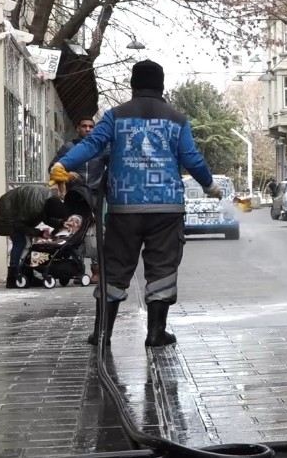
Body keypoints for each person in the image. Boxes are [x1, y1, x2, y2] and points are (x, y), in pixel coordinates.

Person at [50, 60, 221, 347]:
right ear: (161, 85)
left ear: (133, 85)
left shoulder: (115, 117)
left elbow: (92, 145)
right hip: (166, 209)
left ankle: (103, 333)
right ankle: (156, 333)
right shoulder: (177, 120)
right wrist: (209, 184)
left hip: (123, 208)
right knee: (162, 268)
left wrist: (62, 164)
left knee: (115, 268)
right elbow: (192, 158)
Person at [51, 116, 109, 284]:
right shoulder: (68, 148)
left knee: (97, 233)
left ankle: (97, 270)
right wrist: (67, 175)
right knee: (75, 230)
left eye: (91, 126)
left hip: (96, 195)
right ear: (78, 128)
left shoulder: (102, 148)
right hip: (75, 195)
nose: (88, 129)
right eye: (84, 126)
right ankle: (77, 268)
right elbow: (53, 167)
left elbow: (113, 166)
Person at [0, 184, 70, 288]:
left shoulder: (48, 200)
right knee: (20, 242)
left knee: (27, 243)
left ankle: (26, 275)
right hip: (8, 209)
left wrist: (61, 224)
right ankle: (12, 278)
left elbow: (46, 217)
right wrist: (39, 233)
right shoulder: (36, 207)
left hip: (16, 205)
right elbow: (19, 226)